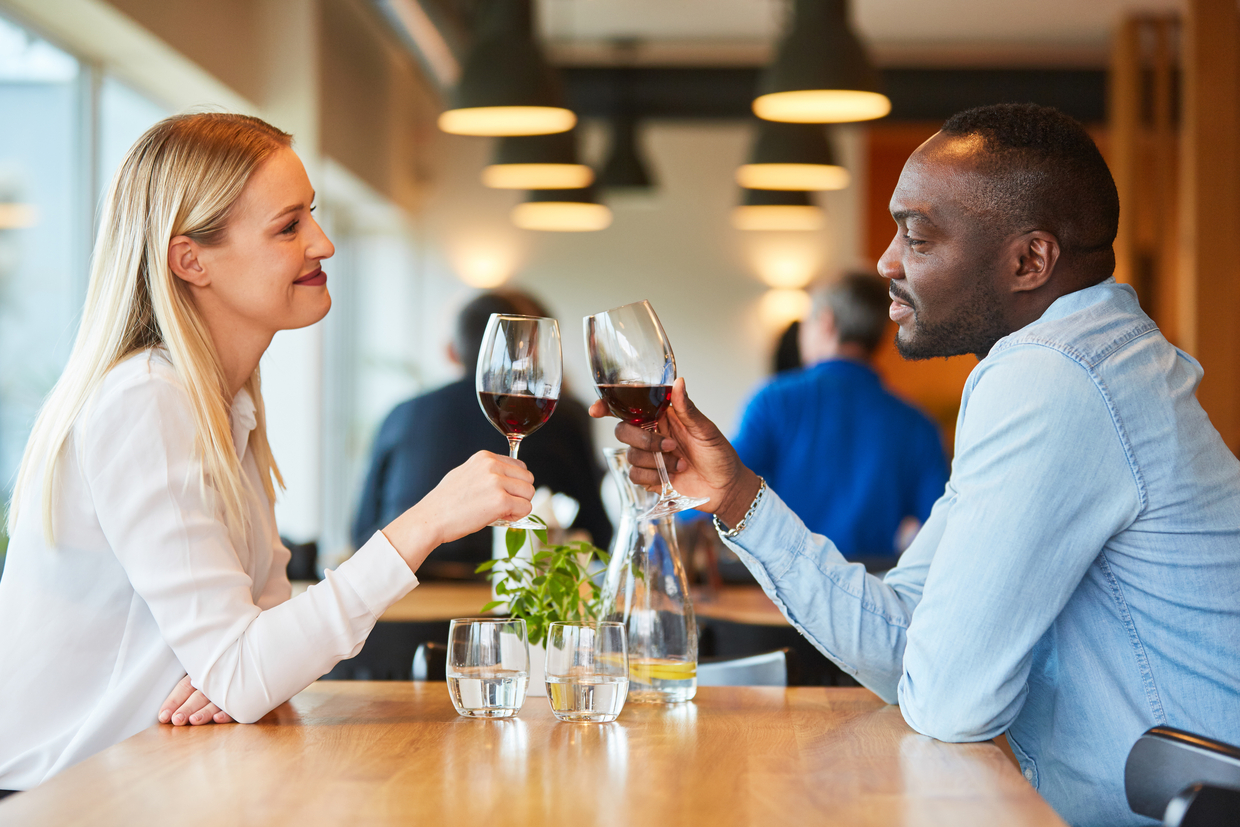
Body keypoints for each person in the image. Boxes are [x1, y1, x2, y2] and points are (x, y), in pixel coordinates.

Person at [596, 104, 1240, 827]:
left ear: (1029, 260)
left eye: (918, 235)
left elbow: (950, 701)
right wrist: (736, 494)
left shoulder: (1055, 376)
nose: (887, 262)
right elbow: (907, 638)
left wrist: (933, 676)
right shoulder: (1086, 362)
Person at [0, 113, 535, 792]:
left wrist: (245, 670)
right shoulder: (146, 402)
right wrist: (426, 521)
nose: (324, 242)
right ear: (191, 259)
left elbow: (266, 642)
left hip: (151, 777)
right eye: (288, 227)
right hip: (64, 798)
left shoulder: (225, 404)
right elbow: (249, 666)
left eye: (311, 214)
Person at [351, 290, 612, 575]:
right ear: (532, 351)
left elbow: (362, 532)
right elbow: (597, 533)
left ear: (451, 351)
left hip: (401, 603)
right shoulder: (564, 415)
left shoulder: (401, 414)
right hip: (514, 603)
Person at [733, 274, 947, 568]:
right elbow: (939, 532)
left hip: (783, 592)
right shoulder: (919, 425)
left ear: (826, 322)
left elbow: (724, 481)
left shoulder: (775, 402)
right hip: (874, 593)